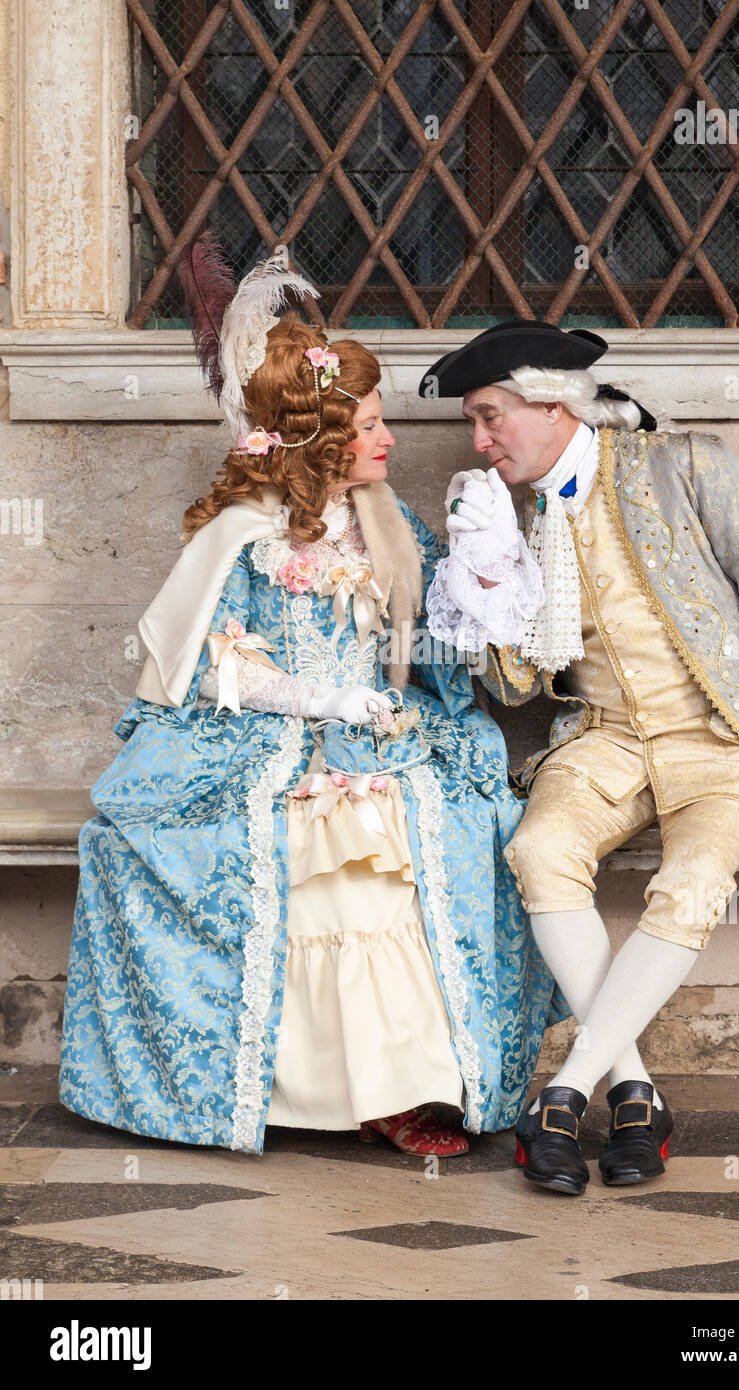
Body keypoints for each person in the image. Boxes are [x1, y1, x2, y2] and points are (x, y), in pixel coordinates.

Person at [58, 253, 561, 1158]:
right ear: (323, 439)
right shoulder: (241, 534)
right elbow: (207, 665)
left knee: (429, 819)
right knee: (311, 837)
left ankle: (411, 1085)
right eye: (370, 426)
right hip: (262, 736)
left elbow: (433, 639)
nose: (390, 440)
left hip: (376, 730)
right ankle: (315, 1092)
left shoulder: (389, 523)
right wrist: (327, 698)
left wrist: (490, 584)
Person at [422, 319, 739, 1195]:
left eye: (487, 416)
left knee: (692, 885)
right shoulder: (515, 521)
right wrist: (482, 576)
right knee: (538, 851)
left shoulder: (685, 465)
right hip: (605, 741)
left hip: (722, 740)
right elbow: (515, 692)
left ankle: (566, 1094)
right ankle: (633, 1094)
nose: (477, 442)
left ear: (551, 404)